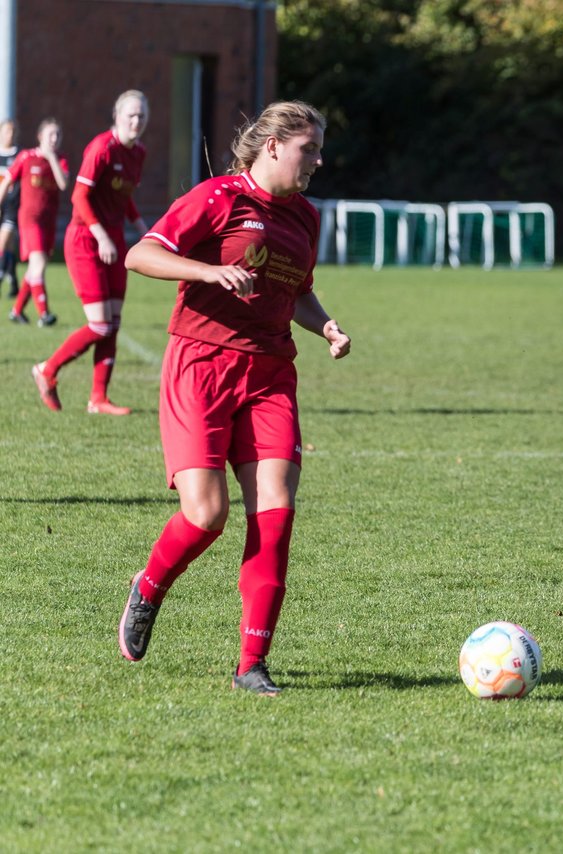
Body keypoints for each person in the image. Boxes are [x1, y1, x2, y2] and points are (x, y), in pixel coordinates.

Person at [118, 100, 349, 696]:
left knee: (275, 511)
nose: (318, 161)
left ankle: (252, 663)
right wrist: (206, 272)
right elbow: (140, 254)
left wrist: (324, 326)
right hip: (200, 365)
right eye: (309, 149)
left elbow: (297, 291)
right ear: (273, 146)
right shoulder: (218, 198)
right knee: (207, 515)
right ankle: (149, 588)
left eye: (320, 151)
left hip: (271, 374)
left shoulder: (306, 217)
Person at [31, 90, 149, 415]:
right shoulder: (101, 148)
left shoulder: (138, 152)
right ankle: (46, 369)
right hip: (86, 238)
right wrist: (101, 237)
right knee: (99, 325)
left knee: (113, 322)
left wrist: (145, 232)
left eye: (141, 116)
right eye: (131, 115)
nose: (136, 121)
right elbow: (79, 197)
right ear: (117, 116)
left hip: (112, 240)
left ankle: (98, 399)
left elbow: (125, 199)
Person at [4, 118, 69, 326]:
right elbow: (7, 181)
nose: (54, 139)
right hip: (29, 220)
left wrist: (51, 159)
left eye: (58, 135)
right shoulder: (26, 157)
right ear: (40, 137)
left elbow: (63, 184)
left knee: (35, 267)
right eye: (50, 134)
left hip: (49, 221)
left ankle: (16, 311)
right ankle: (44, 314)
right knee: (38, 264)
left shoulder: (60, 160)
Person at [0, 119, 20, 297]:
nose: (10, 135)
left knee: (4, 241)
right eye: (7, 131)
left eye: (13, 132)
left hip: (12, 207)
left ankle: (1, 275)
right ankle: (13, 279)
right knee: (9, 247)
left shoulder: (19, 155)